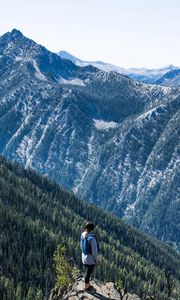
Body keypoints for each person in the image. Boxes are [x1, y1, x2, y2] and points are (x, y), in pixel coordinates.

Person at [80, 222, 99, 290]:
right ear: (92, 229)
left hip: (83, 256)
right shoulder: (92, 238)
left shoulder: (82, 234)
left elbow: (81, 246)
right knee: (89, 272)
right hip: (90, 258)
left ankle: (86, 282)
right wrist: (95, 259)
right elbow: (94, 251)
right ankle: (87, 285)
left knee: (86, 270)